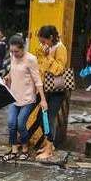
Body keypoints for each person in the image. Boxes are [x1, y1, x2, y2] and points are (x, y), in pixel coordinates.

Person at [2, 35, 47, 162]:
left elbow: (38, 81)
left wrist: (43, 99)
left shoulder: (31, 59)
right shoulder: (13, 56)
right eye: (11, 51)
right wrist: (7, 77)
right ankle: (14, 149)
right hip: (14, 96)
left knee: (21, 123)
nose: (14, 54)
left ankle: (25, 149)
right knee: (11, 123)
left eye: (16, 51)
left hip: (27, 98)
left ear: (23, 49)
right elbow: (13, 71)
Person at [35, 25, 68, 160]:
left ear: (51, 38)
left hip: (57, 89)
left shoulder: (61, 48)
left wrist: (48, 56)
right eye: (40, 42)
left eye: (44, 41)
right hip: (46, 88)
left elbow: (59, 69)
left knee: (48, 117)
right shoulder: (46, 48)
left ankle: (48, 150)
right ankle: (50, 144)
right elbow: (40, 64)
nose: (42, 44)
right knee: (40, 118)